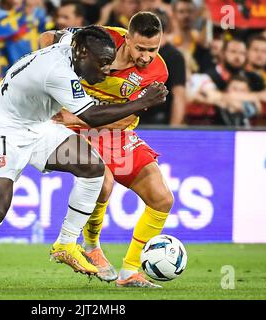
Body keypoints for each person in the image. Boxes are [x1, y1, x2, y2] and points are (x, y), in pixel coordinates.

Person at [0, 26, 169, 288]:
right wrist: (144, 101)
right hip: (5, 129)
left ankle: (66, 243)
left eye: (108, 65)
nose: (105, 71)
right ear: (82, 54)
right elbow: (90, 117)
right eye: (100, 65)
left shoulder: (72, 44)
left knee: (93, 168)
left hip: (40, 126)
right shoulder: (58, 72)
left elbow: (53, 35)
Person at [40, 12, 173, 288]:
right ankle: (92, 246)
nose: (146, 57)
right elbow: (47, 38)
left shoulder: (157, 72)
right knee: (103, 181)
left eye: (153, 49)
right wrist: (51, 80)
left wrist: (75, 115)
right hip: (75, 130)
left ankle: (129, 272)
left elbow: (126, 117)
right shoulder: (100, 38)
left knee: (162, 198)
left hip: (114, 131)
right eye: (140, 49)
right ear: (126, 38)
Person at [139, 9, 186, 125]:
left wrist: (173, 131)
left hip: (159, 122)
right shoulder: (136, 53)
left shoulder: (174, 56)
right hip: (134, 119)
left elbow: (179, 95)